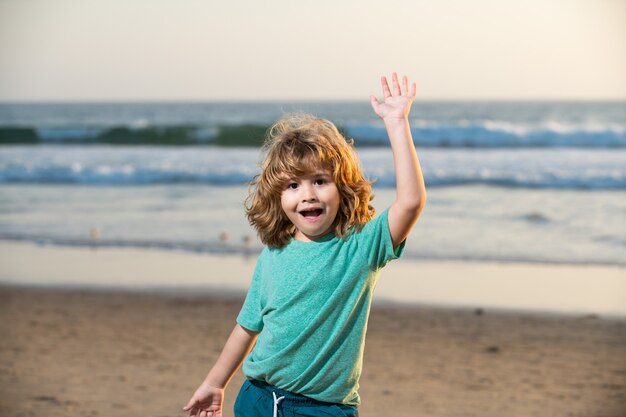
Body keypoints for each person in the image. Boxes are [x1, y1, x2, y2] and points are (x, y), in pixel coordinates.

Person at [183, 73, 426, 417]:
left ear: (343, 189)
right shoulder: (274, 254)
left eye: (320, 181)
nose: (308, 194)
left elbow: (411, 203)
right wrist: (214, 383)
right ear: (277, 197)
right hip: (258, 399)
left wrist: (397, 123)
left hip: (325, 409)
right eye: (293, 185)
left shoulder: (361, 246)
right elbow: (247, 327)